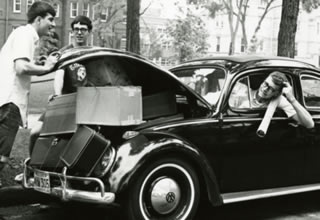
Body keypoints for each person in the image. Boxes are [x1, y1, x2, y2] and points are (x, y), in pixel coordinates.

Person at [0, 1, 59, 187]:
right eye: (50, 19)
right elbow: (21, 67)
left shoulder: (23, 35)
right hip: (10, 102)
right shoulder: (26, 34)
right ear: (38, 19)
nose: (53, 24)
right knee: (1, 155)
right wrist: (46, 66)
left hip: (7, 100)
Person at [28, 15, 93, 156]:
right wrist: (57, 95)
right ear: (72, 32)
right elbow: (59, 74)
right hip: (65, 102)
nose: (79, 32)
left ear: (89, 32)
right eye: (76, 29)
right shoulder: (65, 53)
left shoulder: (93, 53)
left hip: (86, 104)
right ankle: (31, 168)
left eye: (83, 29)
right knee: (35, 132)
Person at [233, 71, 314, 129]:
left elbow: (310, 124)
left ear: (277, 93)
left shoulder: (279, 100)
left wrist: (292, 99)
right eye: (265, 84)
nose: (265, 89)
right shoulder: (243, 93)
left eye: (271, 89)